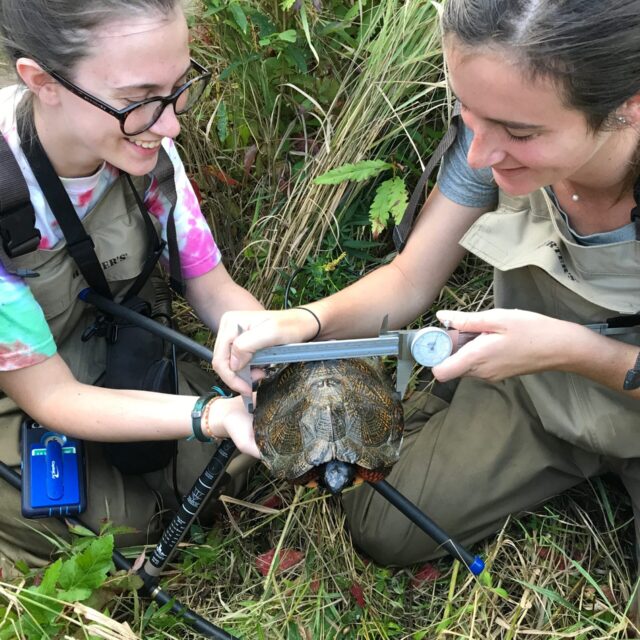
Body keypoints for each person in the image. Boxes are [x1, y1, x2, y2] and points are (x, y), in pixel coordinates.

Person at [212, 0, 640, 570]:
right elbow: (411, 278)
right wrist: (302, 323)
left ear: (627, 109)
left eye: (520, 131)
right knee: (385, 525)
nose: (483, 154)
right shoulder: (488, 137)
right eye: (468, 110)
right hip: (531, 385)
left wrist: (572, 350)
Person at [0, 0, 262, 568]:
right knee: (118, 530)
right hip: (25, 388)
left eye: (179, 88)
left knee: (235, 455)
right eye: (140, 99)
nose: (170, 125)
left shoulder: (146, 145)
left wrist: (265, 341)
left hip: (110, 352)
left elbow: (208, 284)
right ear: (42, 81)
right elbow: (52, 397)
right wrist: (207, 418)